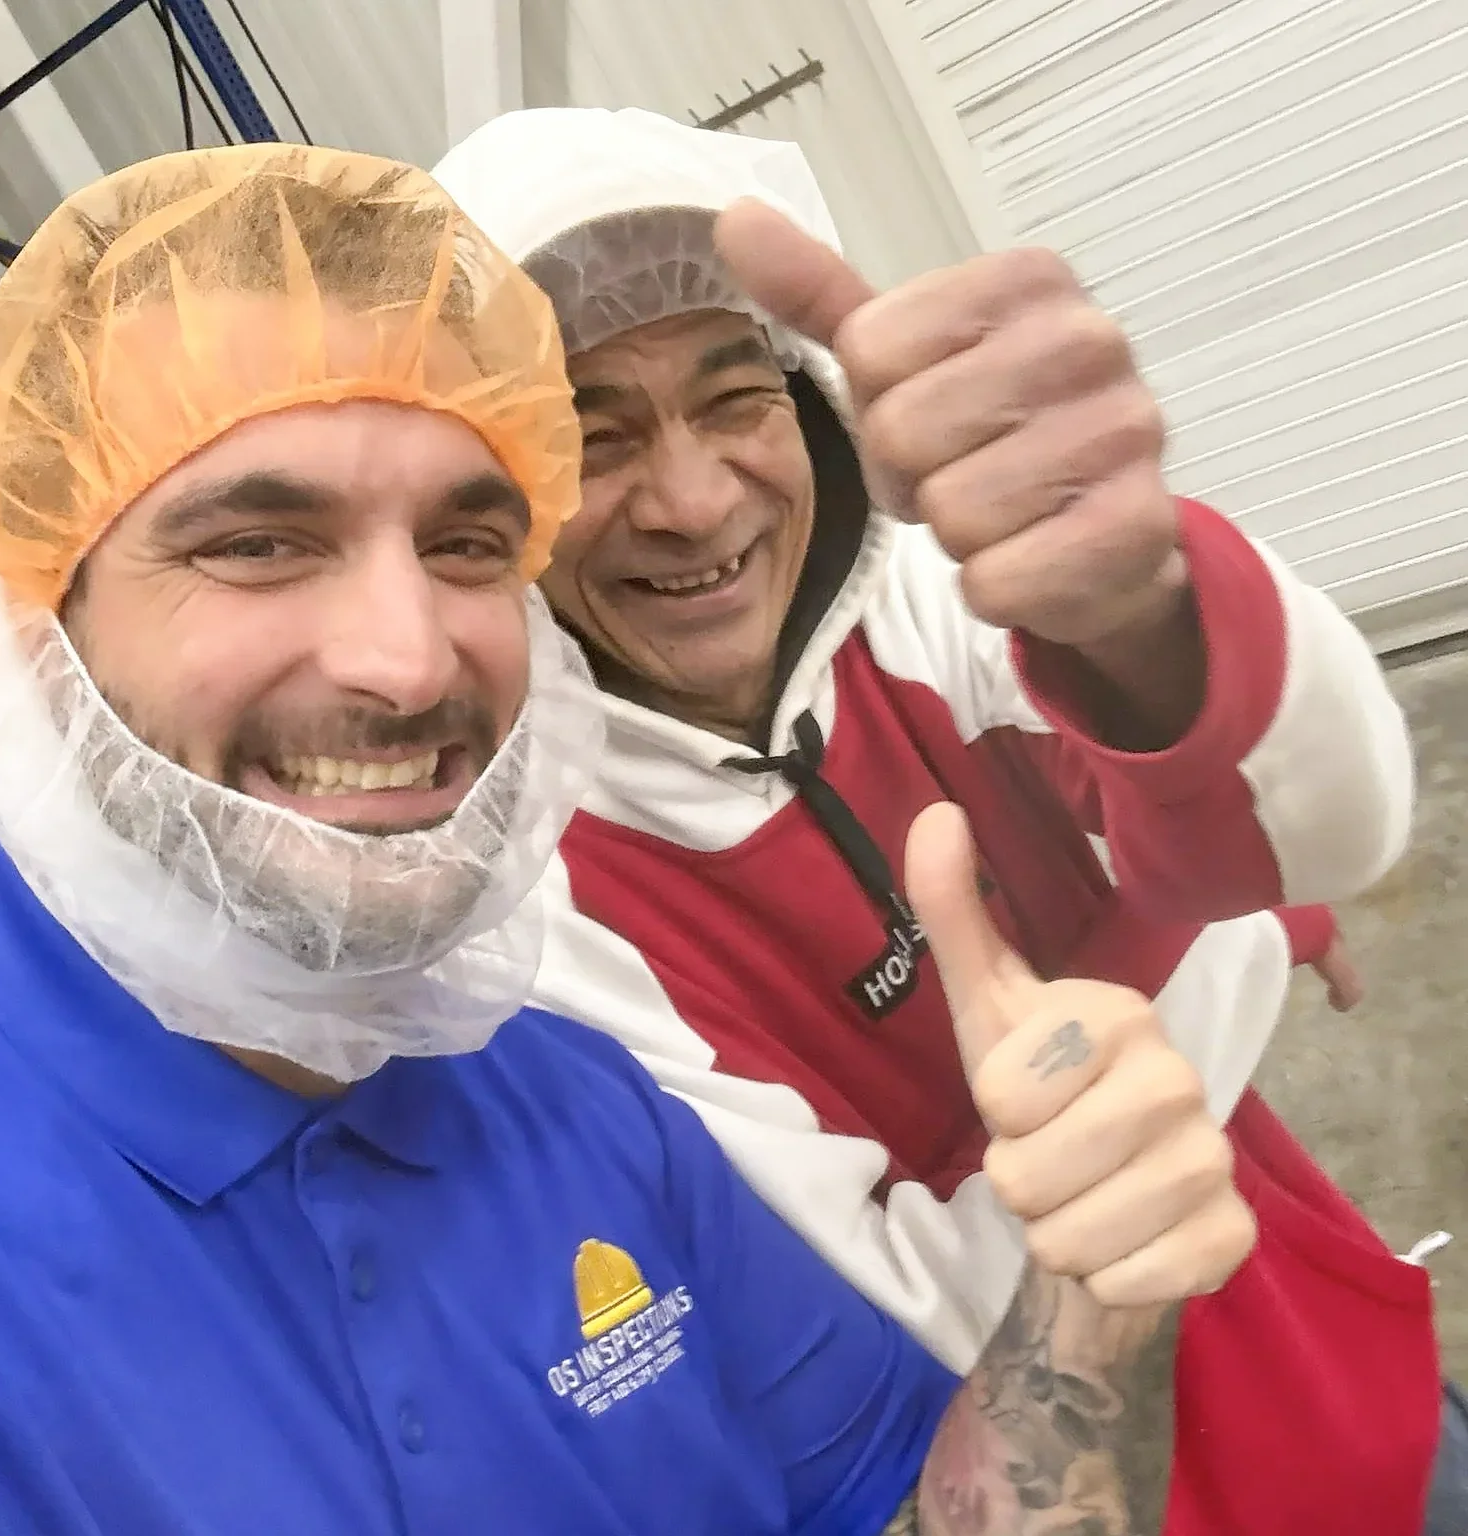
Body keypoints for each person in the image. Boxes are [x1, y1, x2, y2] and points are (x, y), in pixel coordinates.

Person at [0, 142, 1253, 1535]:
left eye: (467, 544)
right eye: (258, 542)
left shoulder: (576, 1104)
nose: (411, 656)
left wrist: (1086, 1297)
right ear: (35, 626)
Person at [436, 107, 1456, 1535]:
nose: (689, 498)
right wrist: (1204, 905)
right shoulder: (532, 907)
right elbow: (919, 1311)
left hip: (1353, 1386)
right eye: (586, 439)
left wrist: (1149, 615)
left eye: (738, 398)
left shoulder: (931, 604)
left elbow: (1338, 811)